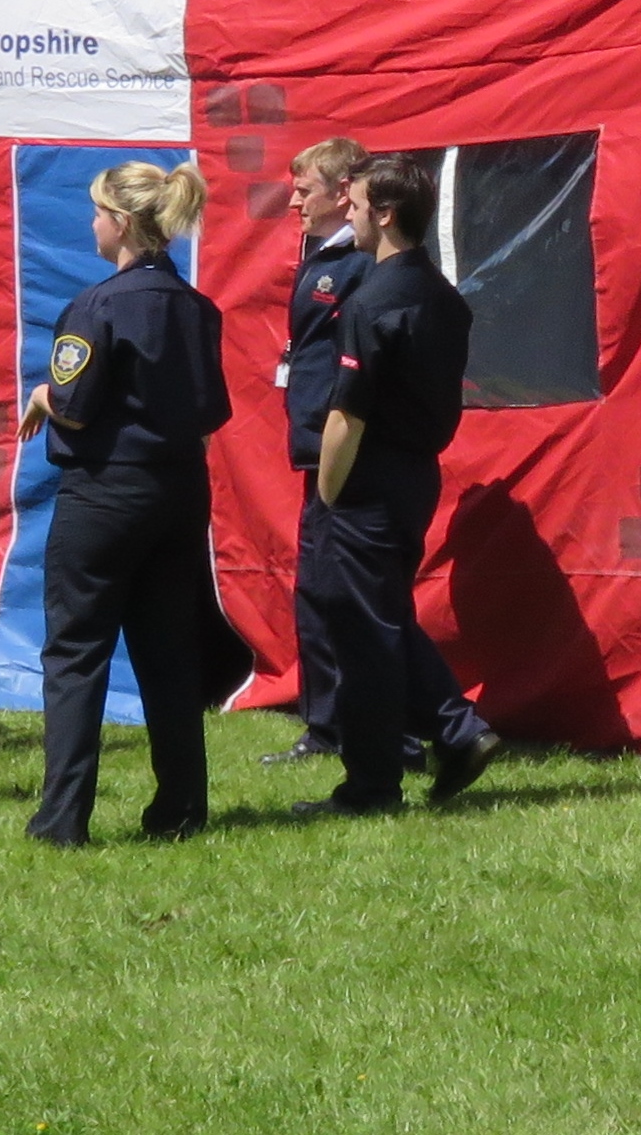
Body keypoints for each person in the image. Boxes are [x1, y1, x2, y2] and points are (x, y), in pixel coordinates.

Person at [20, 160, 227, 846]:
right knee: (169, 653)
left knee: (76, 653)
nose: (91, 225)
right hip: (179, 491)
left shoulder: (96, 306)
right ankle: (181, 809)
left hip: (105, 494)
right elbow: (210, 412)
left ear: (121, 222)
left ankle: (62, 819)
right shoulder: (197, 308)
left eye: (97, 212)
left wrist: (43, 395)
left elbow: (75, 405)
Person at [297, 153, 503, 819]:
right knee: (379, 616)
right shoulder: (441, 296)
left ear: (384, 214)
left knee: (361, 631)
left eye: (356, 206)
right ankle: (452, 731)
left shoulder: (371, 300)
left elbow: (346, 416)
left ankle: (373, 784)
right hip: (415, 474)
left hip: (367, 479)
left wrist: (328, 493)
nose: (348, 216)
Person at [265, 136, 370, 769]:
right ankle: (328, 721)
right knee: (317, 588)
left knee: (339, 589)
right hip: (314, 443)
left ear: (341, 192)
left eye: (305, 190)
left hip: (341, 446)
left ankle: (369, 724)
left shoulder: (359, 263)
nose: (294, 202)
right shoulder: (322, 255)